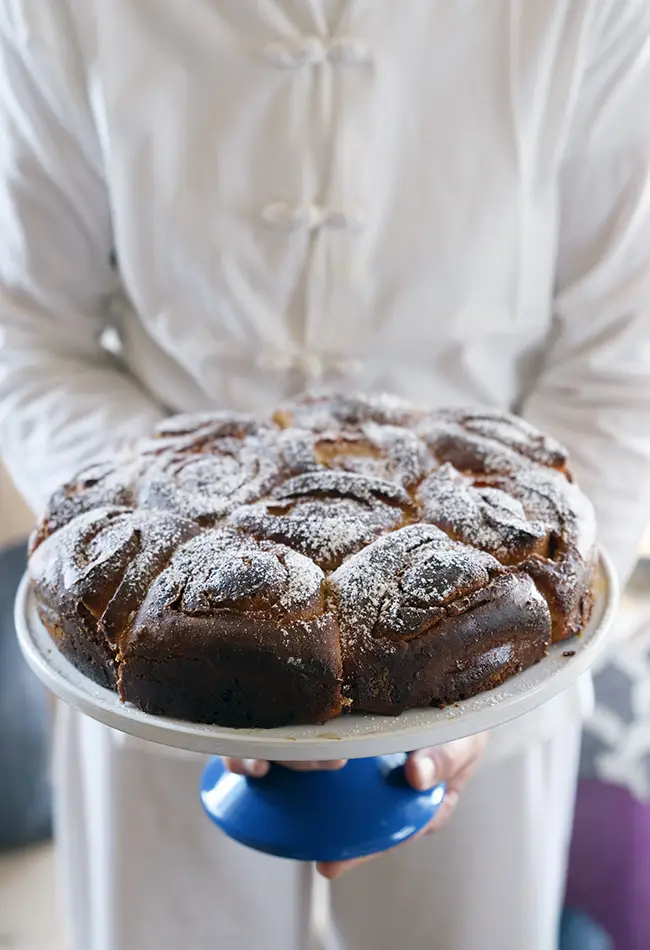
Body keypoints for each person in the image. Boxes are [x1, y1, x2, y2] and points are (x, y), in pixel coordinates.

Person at [1, 2, 649, 948]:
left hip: (478, 651)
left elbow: (624, 359)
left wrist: (479, 691)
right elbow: (28, 334)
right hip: (164, 672)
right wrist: (171, 543)